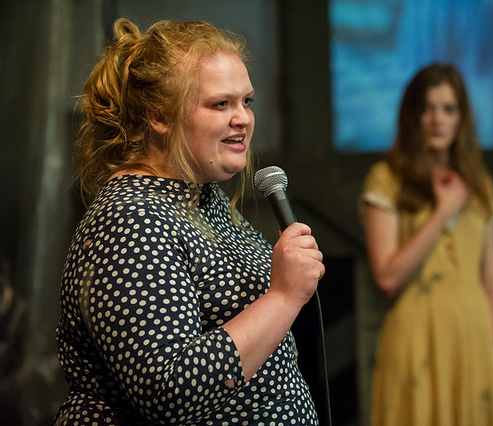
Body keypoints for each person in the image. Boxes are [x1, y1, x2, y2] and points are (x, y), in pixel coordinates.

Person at [53, 18, 324, 425]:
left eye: (247, 101)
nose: (243, 119)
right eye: (221, 104)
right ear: (159, 116)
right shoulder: (132, 220)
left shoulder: (202, 198)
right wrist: (283, 297)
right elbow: (169, 390)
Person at [361, 64, 493, 425]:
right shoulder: (387, 179)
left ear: (461, 117)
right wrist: (443, 211)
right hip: (418, 337)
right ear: (412, 115)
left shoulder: (479, 185)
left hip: (473, 340)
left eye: (448, 109)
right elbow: (388, 277)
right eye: (427, 108)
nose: (437, 119)